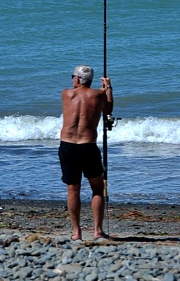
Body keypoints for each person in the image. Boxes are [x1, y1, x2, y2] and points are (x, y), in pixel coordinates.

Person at [59, 65, 113, 240]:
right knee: (97, 188)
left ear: (77, 79)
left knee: (73, 188)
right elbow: (108, 110)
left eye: (73, 77)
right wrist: (108, 88)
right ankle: (97, 230)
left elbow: (81, 95)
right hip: (87, 146)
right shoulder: (98, 95)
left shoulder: (66, 94)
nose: (72, 80)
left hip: (67, 146)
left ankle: (77, 232)